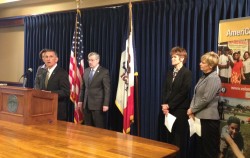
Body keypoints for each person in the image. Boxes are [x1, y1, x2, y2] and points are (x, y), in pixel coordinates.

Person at [187, 51, 221, 158]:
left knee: (208, 151)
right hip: (200, 118)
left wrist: (192, 110)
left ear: (210, 65)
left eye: (203, 62)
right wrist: (192, 109)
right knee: (200, 150)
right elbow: (195, 95)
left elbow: (206, 99)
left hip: (209, 121)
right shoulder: (203, 77)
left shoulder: (214, 78)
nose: (200, 64)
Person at [161, 47, 192, 158]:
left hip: (179, 110)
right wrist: (164, 105)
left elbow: (183, 93)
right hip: (168, 110)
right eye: (172, 57)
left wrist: (170, 105)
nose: (172, 59)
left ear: (182, 58)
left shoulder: (187, 73)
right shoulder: (170, 73)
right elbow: (165, 90)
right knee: (168, 138)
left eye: (174, 57)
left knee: (177, 139)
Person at [78, 52, 110, 128]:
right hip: (86, 104)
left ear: (97, 60)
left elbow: (107, 89)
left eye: (92, 60)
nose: (90, 62)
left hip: (98, 105)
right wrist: (80, 100)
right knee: (87, 127)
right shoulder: (86, 71)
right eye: (89, 60)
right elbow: (83, 87)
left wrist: (106, 104)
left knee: (99, 127)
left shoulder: (104, 72)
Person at [39, 49, 70, 121]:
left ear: (56, 59)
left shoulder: (62, 73)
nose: (48, 59)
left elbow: (66, 92)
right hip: (44, 109)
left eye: (51, 56)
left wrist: (50, 93)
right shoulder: (43, 72)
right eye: (46, 57)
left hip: (57, 111)